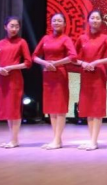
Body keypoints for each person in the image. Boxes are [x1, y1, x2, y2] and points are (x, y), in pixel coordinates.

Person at [74, 10, 107, 151]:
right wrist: (82, 63)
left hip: (98, 74)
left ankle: (94, 141)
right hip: (85, 74)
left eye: (97, 18)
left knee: (97, 108)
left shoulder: (105, 38)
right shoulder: (82, 38)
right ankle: (91, 140)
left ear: (101, 21)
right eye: (92, 18)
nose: (95, 20)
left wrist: (97, 61)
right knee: (88, 107)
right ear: (88, 20)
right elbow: (73, 57)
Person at [32, 13, 77, 150]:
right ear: (51, 23)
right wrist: (45, 63)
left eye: (59, 21)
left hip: (60, 74)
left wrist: (56, 63)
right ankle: (56, 139)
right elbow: (34, 56)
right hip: (48, 75)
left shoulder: (66, 39)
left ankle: (57, 140)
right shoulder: (45, 38)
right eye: (54, 21)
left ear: (64, 24)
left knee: (60, 108)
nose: (56, 23)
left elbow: (73, 56)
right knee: (51, 108)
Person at [0, 16, 32, 149]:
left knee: (14, 109)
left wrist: (11, 67)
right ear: (5, 27)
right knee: (8, 109)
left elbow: (28, 62)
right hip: (2, 79)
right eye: (11, 26)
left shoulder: (21, 42)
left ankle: (14, 139)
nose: (14, 29)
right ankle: (12, 139)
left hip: (15, 79)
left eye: (17, 26)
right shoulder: (0, 44)